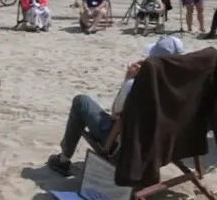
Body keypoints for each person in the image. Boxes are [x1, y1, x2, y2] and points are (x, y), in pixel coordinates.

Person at [46, 36, 185, 176]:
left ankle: (63, 160)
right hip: (166, 146)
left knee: (81, 101)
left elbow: (116, 114)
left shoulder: (137, 87)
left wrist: (129, 78)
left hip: (128, 147)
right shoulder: (185, 86)